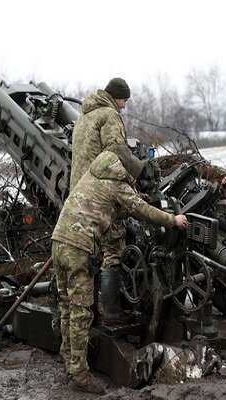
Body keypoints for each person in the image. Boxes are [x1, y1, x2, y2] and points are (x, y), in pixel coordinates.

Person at [52, 146, 188, 394]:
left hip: (59, 241)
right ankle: (80, 377)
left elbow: (112, 205)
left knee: (65, 305)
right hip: (79, 247)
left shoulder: (93, 175)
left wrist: (137, 198)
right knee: (81, 312)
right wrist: (172, 219)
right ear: (127, 172)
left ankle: (69, 361)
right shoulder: (118, 184)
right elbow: (142, 211)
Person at [70, 77, 132, 321]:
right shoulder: (109, 115)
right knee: (113, 247)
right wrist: (136, 183)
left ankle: (87, 311)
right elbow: (118, 154)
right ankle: (112, 312)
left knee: (87, 251)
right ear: (116, 97)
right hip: (101, 192)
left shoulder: (84, 116)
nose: (124, 106)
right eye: (124, 100)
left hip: (80, 192)